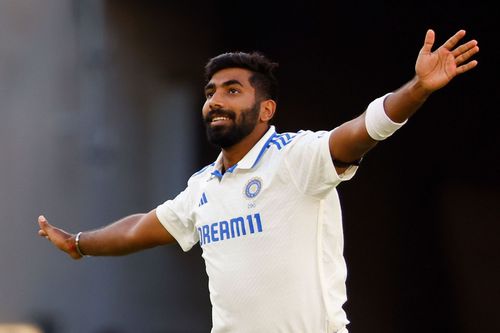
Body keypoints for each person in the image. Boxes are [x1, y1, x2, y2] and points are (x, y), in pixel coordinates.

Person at [37, 29, 479, 333]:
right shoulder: (204, 186)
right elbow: (140, 227)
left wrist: (418, 88)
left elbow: (363, 129)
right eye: (210, 92)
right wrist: (79, 243)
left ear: (265, 110)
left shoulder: (295, 158)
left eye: (232, 90)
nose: (215, 101)